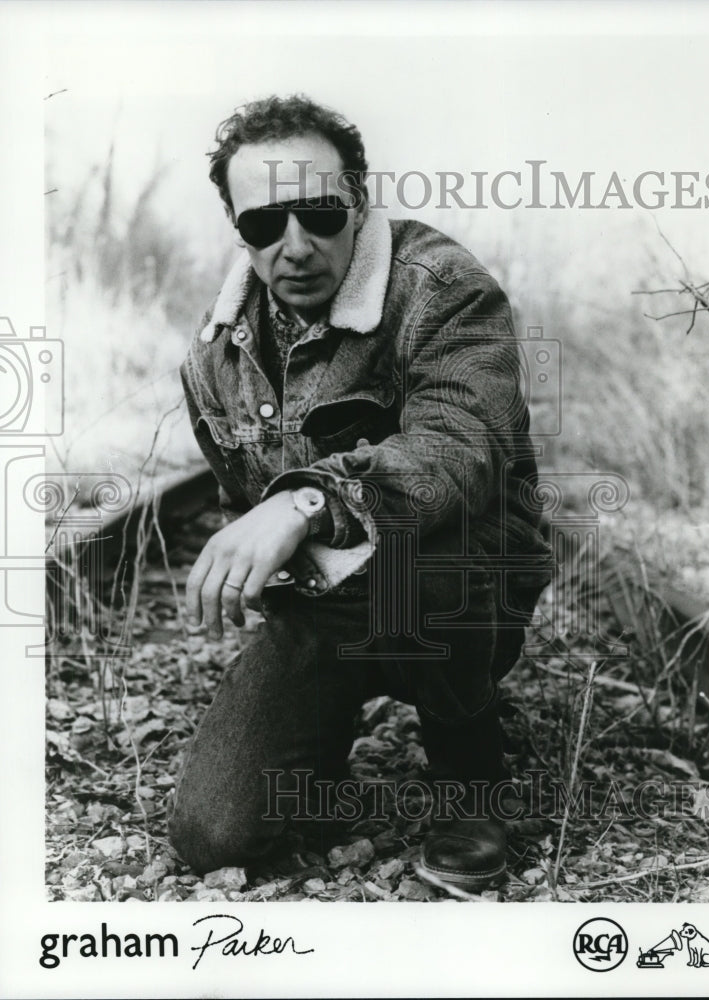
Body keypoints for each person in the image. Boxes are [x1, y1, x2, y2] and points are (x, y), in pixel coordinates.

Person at [169, 94, 552, 891]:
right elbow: (244, 508)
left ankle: (469, 771)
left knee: (430, 548)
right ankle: (328, 718)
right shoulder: (214, 359)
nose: (296, 246)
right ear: (240, 232)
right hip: (328, 603)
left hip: (460, 586)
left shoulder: (442, 287)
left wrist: (308, 499)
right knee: (217, 833)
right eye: (264, 226)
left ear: (359, 202)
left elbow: (460, 445)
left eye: (319, 213)